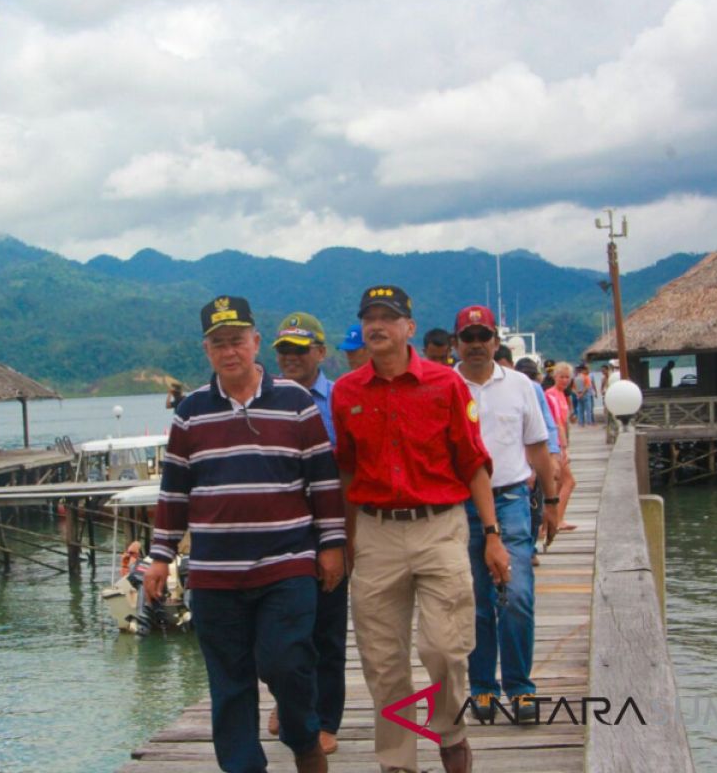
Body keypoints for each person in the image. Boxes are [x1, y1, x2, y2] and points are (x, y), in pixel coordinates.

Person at [145, 295, 345, 773]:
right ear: (206, 350)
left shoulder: (296, 403)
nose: (229, 351)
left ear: (255, 342)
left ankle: (303, 739)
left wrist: (333, 545)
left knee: (288, 661)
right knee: (229, 682)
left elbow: (323, 481)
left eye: (237, 340)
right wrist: (159, 557)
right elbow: (174, 492)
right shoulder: (190, 412)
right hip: (215, 574)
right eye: (218, 344)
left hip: (287, 563)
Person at [333, 284, 504, 773]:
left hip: (440, 527)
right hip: (376, 531)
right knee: (382, 659)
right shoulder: (347, 392)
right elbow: (346, 470)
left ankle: (449, 730)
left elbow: (474, 463)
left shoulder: (445, 384)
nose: (376, 326)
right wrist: (346, 538)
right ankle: (398, 761)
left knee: (444, 647)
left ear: (409, 327)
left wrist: (492, 535)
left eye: (388, 317)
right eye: (369, 318)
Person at [452, 306, 559, 724]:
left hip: (511, 499)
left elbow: (537, 446)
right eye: (468, 336)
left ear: (496, 342)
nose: (476, 344)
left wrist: (550, 504)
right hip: (459, 506)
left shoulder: (521, 386)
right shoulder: (445, 386)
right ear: (458, 343)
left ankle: (519, 686)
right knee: (475, 600)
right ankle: (482, 687)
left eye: (484, 336)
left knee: (517, 596)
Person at [270, 311, 345, 755]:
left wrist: (343, 538)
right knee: (281, 632)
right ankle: (289, 700)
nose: (290, 358)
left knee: (328, 632)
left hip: (328, 527)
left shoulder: (339, 400)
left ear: (321, 352)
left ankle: (324, 720)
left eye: (300, 350)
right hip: (278, 534)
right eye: (283, 350)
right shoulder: (264, 398)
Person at [514, 358, 561, 568]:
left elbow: (547, 423)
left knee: (535, 503)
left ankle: (530, 548)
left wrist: (554, 453)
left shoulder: (534, 390)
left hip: (534, 455)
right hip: (515, 459)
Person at [545, 363, 577, 532]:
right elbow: (557, 424)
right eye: (561, 376)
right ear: (554, 377)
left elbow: (565, 421)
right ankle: (558, 520)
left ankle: (552, 520)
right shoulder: (550, 395)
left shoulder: (562, 395)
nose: (564, 380)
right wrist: (564, 448)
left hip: (560, 442)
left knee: (558, 484)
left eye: (567, 377)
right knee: (569, 482)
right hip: (555, 445)